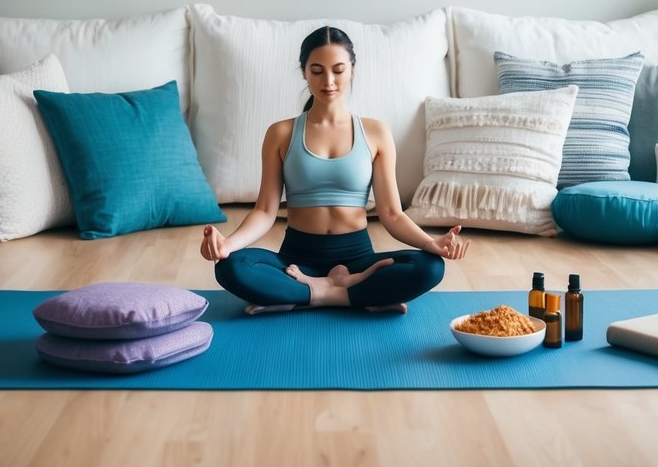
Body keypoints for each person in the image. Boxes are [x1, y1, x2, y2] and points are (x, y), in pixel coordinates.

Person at [200, 26, 469, 315]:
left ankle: (306, 294)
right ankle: (350, 295)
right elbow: (265, 211)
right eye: (317, 71)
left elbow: (392, 214)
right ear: (304, 72)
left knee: (429, 267)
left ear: (352, 70)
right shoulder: (280, 133)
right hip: (295, 262)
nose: (328, 81)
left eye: (338, 70)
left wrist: (432, 243)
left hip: (358, 262)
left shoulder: (376, 133)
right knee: (230, 267)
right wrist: (227, 245)